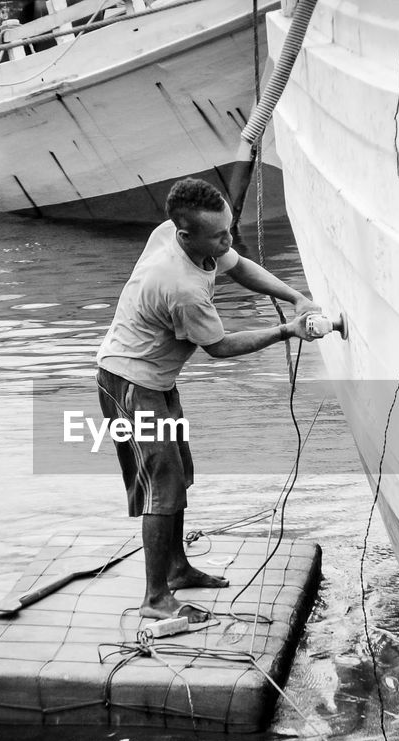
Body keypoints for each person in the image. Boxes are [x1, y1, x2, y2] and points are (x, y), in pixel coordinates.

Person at [95, 178, 323, 622]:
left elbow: (238, 267)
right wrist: (284, 331)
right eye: (219, 236)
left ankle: (177, 569)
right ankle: (156, 598)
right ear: (185, 235)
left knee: (178, 475)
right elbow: (219, 348)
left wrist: (295, 297)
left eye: (229, 229)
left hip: (155, 380)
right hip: (128, 384)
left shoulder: (182, 234)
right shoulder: (180, 285)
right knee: (161, 488)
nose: (228, 240)